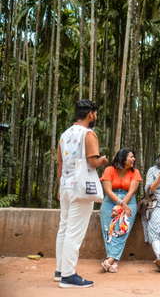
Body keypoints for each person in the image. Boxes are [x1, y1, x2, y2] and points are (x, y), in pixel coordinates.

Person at [55, 99, 108, 288]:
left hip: (66, 186)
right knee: (74, 232)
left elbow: (60, 163)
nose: (96, 117)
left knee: (64, 227)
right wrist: (103, 160)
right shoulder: (88, 134)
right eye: (95, 113)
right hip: (81, 189)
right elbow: (92, 162)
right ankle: (68, 276)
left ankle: (60, 270)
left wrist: (60, 186)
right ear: (90, 114)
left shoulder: (64, 134)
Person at [99, 148, 142, 273]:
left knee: (122, 228)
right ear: (123, 158)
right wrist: (120, 204)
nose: (134, 159)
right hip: (111, 200)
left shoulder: (135, 172)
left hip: (128, 201)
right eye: (131, 157)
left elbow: (131, 192)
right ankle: (114, 261)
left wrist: (122, 206)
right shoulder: (109, 170)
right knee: (108, 230)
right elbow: (108, 190)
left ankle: (111, 258)